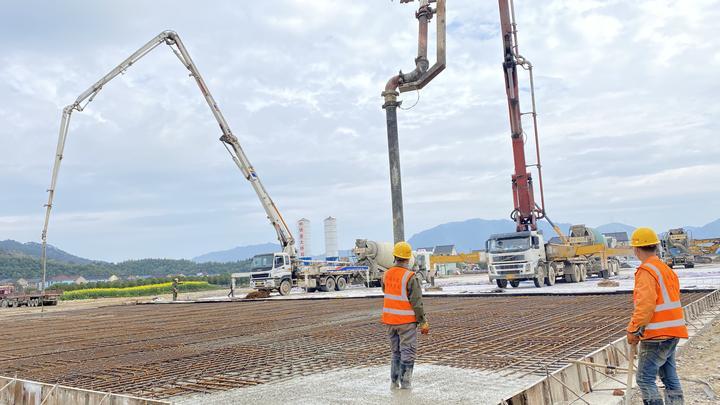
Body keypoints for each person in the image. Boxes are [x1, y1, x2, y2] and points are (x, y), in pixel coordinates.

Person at [626, 227, 688, 405]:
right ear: (655, 246)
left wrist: (633, 329)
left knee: (645, 379)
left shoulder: (646, 271)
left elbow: (645, 306)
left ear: (636, 250)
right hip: (673, 331)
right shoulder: (666, 269)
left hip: (656, 335)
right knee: (669, 377)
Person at [381, 241, 429, 390]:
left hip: (390, 321)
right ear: (408, 258)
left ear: (395, 256)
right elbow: (417, 302)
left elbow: (386, 291)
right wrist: (423, 322)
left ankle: (394, 383)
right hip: (406, 322)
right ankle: (406, 385)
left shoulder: (386, 274)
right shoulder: (410, 277)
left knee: (395, 352)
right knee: (407, 353)